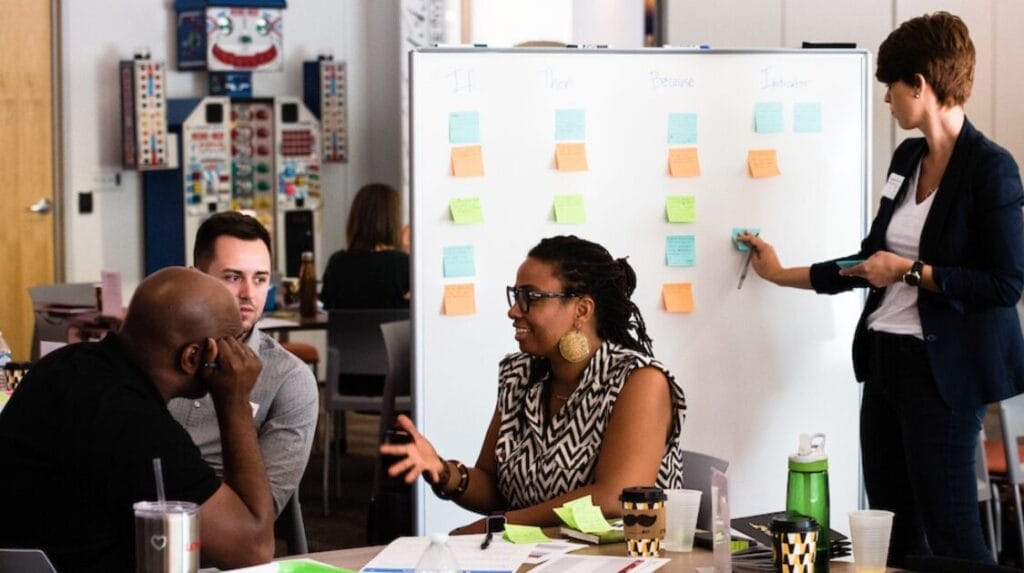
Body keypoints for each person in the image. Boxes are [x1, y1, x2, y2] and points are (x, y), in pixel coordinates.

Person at [739, 12, 1024, 566]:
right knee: (894, 540)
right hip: (885, 365)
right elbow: (873, 259)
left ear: (920, 84)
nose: (886, 101)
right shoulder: (907, 160)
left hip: (942, 376)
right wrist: (782, 273)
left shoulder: (992, 170)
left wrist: (913, 273)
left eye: (891, 88)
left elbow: (1006, 283)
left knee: (955, 541)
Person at [380, 235, 687, 532]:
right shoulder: (519, 375)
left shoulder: (639, 380)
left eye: (531, 298)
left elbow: (615, 497)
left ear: (582, 310)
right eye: (515, 296)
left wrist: (500, 526)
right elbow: (495, 488)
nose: (514, 310)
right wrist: (443, 472)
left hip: (621, 558)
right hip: (536, 553)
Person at [0, 268, 276, 570]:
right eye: (233, 345)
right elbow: (253, 550)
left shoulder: (63, 365)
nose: (240, 359)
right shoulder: (138, 426)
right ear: (193, 358)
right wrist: (234, 401)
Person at [169, 211, 319, 515]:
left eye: (260, 279)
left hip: (219, 530)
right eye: (233, 277)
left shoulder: (288, 379)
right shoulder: (160, 353)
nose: (249, 294)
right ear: (195, 278)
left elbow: (264, 511)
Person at [320, 183, 409, 309]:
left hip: (348, 329)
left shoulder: (337, 263)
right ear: (393, 221)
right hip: (392, 329)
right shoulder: (404, 264)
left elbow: (327, 308)